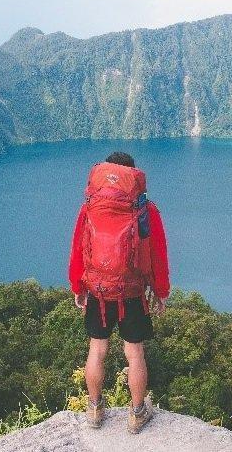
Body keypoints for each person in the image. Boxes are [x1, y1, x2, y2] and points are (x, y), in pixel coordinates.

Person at [68, 151, 170, 434]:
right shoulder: (145, 209)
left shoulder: (89, 206)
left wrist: (78, 286)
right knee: (134, 353)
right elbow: (158, 255)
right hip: (132, 291)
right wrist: (160, 291)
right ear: (133, 176)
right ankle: (137, 413)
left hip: (98, 290)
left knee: (97, 350)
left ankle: (94, 409)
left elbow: (78, 248)